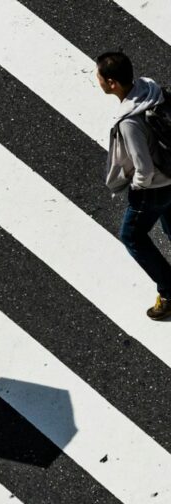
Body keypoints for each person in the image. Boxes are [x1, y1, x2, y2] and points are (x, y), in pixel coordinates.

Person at [97, 51, 171, 320]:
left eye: (100, 76)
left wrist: (137, 188)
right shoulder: (150, 89)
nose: (98, 80)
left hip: (155, 188)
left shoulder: (129, 121)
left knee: (132, 236)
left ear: (112, 82)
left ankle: (169, 291)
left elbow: (144, 168)